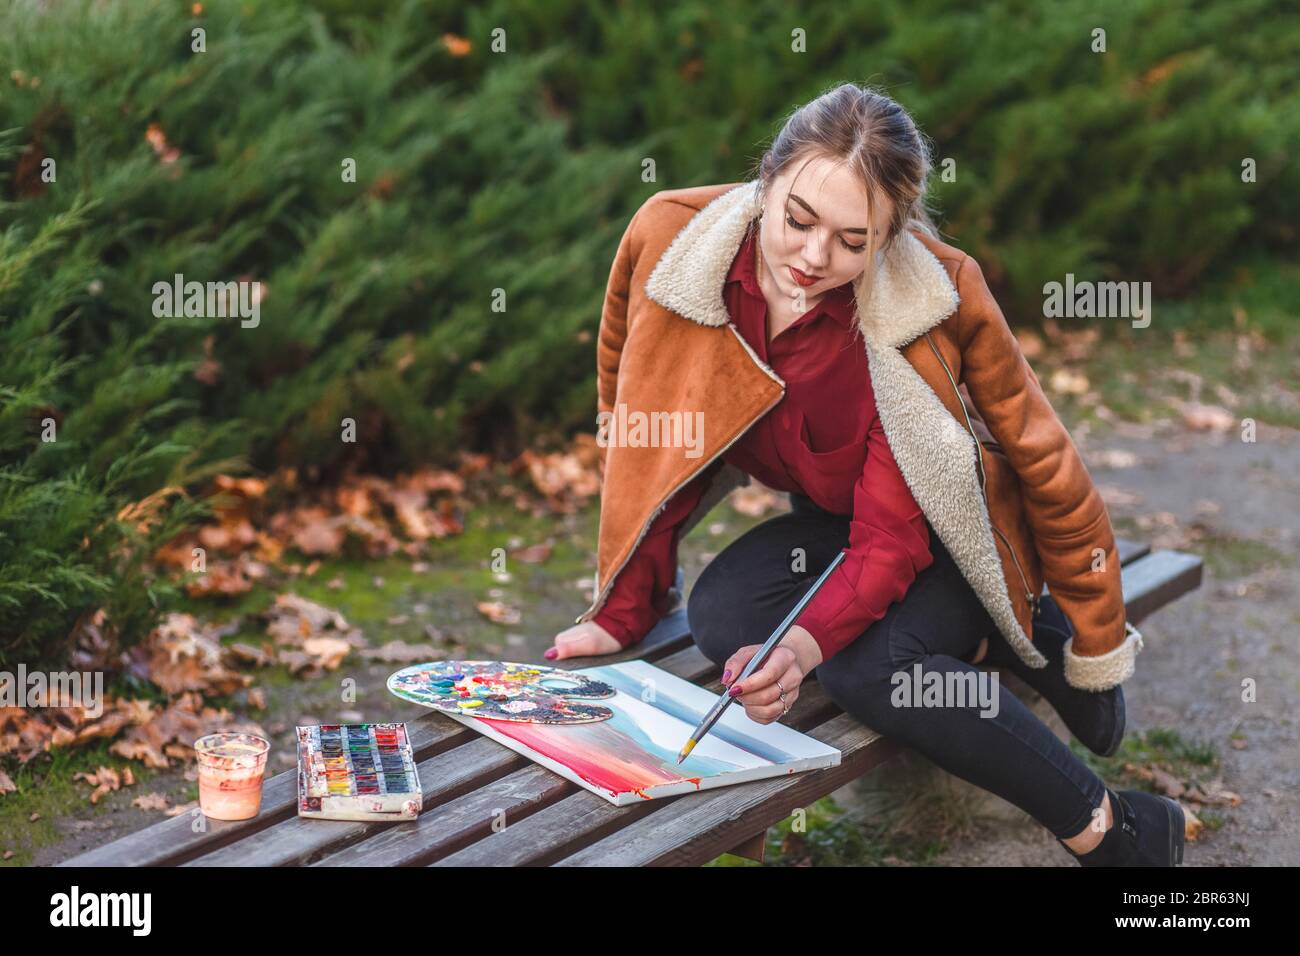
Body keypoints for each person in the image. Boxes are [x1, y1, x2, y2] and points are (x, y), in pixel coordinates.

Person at [546, 83, 1183, 866]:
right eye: (799, 220)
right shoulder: (674, 246)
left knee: (871, 668)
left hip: (958, 534)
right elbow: (640, 414)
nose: (815, 258)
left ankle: (1117, 826)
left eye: (853, 241)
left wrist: (1095, 631)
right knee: (723, 618)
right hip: (838, 521)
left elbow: (1034, 465)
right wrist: (624, 606)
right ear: (767, 180)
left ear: (891, 236)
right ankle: (995, 646)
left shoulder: (926, 307)